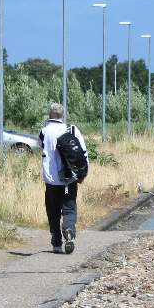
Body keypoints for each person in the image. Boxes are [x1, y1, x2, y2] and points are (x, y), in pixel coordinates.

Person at [40, 102, 87, 254]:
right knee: (69, 209)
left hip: (51, 180)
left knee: (53, 211)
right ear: (62, 115)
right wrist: (83, 173)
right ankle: (69, 231)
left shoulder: (43, 132)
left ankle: (56, 242)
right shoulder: (72, 129)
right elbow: (83, 153)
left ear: (50, 114)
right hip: (69, 178)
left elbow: (42, 150)